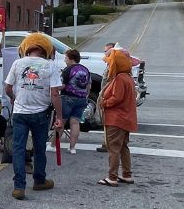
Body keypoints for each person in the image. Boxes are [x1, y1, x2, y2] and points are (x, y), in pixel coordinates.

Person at [3, 33, 61, 200]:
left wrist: (15, 99)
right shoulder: (50, 66)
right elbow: (55, 94)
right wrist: (60, 117)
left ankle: (19, 186)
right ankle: (39, 180)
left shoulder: (17, 63)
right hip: (41, 113)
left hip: (20, 112)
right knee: (39, 147)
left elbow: (8, 88)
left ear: (26, 48)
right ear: (46, 49)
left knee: (19, 148)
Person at [99, 50, 138, 186]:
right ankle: (126, 174)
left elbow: (116, 97)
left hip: (116, 119)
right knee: (123, 147)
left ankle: (112, 177)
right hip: (125, 118)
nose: (109, 66)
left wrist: (104, 102)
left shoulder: (120, 78)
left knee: (113, 148)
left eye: (110, 64)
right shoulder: (128, 78)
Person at [59, 49, 91, 155]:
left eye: (66, 58)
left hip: (68, 97)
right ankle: (72, 148)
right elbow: (88, 86)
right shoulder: (85, 69)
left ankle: (54, 145)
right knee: (75, 123)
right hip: (81, 98)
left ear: (71, 58)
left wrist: (55, 88)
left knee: (61, 122)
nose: (65, 60)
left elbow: (63, 85)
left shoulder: (68, 70)